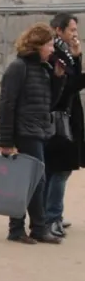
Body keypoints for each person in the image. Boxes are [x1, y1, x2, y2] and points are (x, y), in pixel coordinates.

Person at [0, 23, 65, 245]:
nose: (52, 50)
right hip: (24, 131)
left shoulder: (44, 69)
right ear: (37, 45)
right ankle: (37, 227)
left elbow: (50, 103)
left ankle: (18, 229)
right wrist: (6, 141)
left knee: (26, 180)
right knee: (37, 179)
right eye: (49, 45)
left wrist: (57, 78)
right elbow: (7, 104)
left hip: (38, 129)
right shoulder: (19, 67)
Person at [45, 13, 85, 238]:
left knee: (56, 170)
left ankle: (52, 214)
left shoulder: (66, 54)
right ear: (58, 31)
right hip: (58, 119)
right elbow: (66, 86)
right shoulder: (55, 55)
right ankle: (51, 217)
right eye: (71, 30)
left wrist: (77, 58)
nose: (75, 34)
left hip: (66, 117)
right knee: (60, 169)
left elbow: (71, 82)